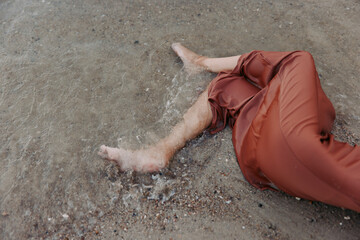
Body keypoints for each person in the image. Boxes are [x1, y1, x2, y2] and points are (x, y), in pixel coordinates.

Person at [98, 43, 360, 212]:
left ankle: (201, 62)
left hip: (287, 151)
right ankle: (161, 150)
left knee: (299, 60)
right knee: (225, 86)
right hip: (277, 169)